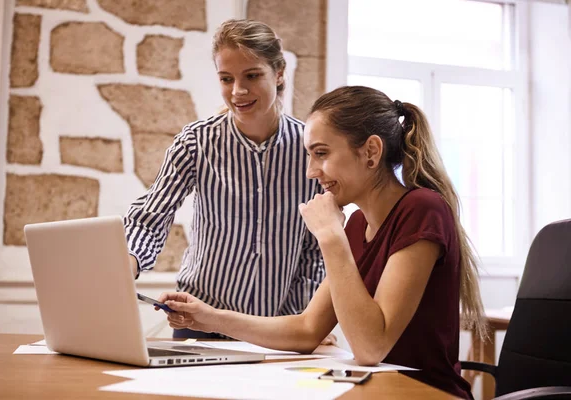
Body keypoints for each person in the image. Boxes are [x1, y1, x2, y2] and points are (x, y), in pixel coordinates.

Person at [157, 86, 487, 399]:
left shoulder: (422, 209)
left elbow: (371, 348)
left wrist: (329, 236)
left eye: (322, 154)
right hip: (379, 392)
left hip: (424, 394)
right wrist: (207, 316)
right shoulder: (358, 224)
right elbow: (307, 328)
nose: (311, 171)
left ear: (371, 152)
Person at [123, 19, 325, 339]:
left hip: (277, 331)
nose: (238, 91)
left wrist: (307, 316)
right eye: (226, 78)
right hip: (199, 323)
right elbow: (150, 216)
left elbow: (315, 249)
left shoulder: (310, 150)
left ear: (280, 72)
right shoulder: (196, 142)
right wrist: (128, 263)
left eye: (252, 75)